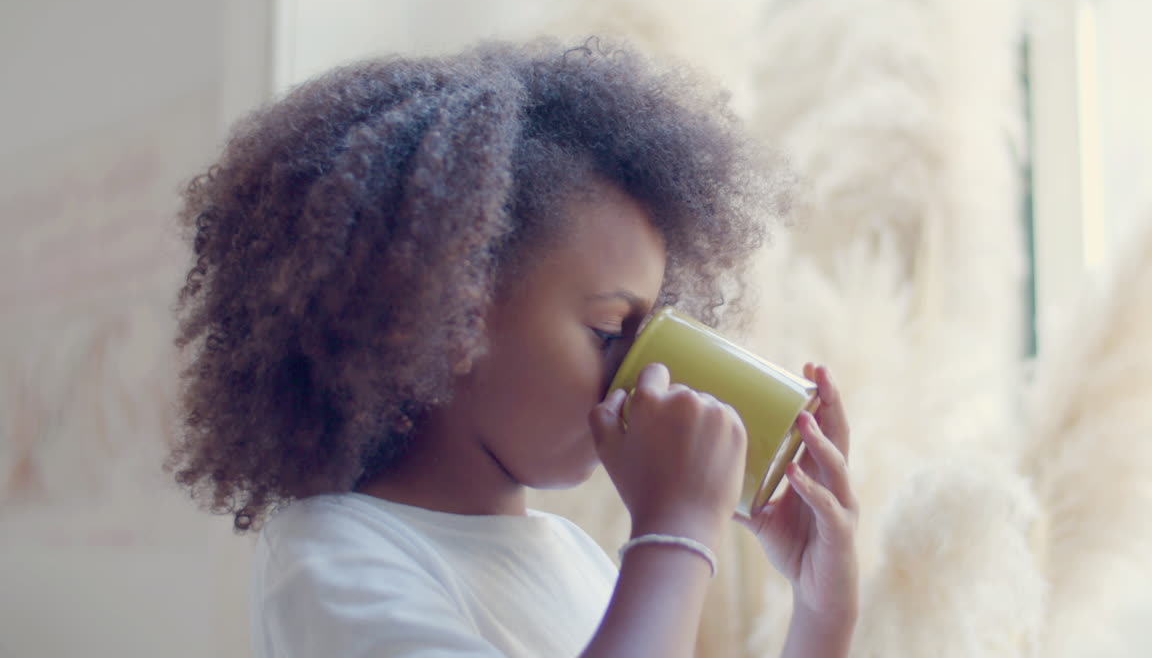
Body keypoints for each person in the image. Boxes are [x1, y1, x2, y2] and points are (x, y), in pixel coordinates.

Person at [168, 37, 859, 657]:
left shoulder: (572, 557)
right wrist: (675, 534)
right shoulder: (331, 554)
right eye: (609, 332)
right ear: (447, 316)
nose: (647, 373)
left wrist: (822, 612)